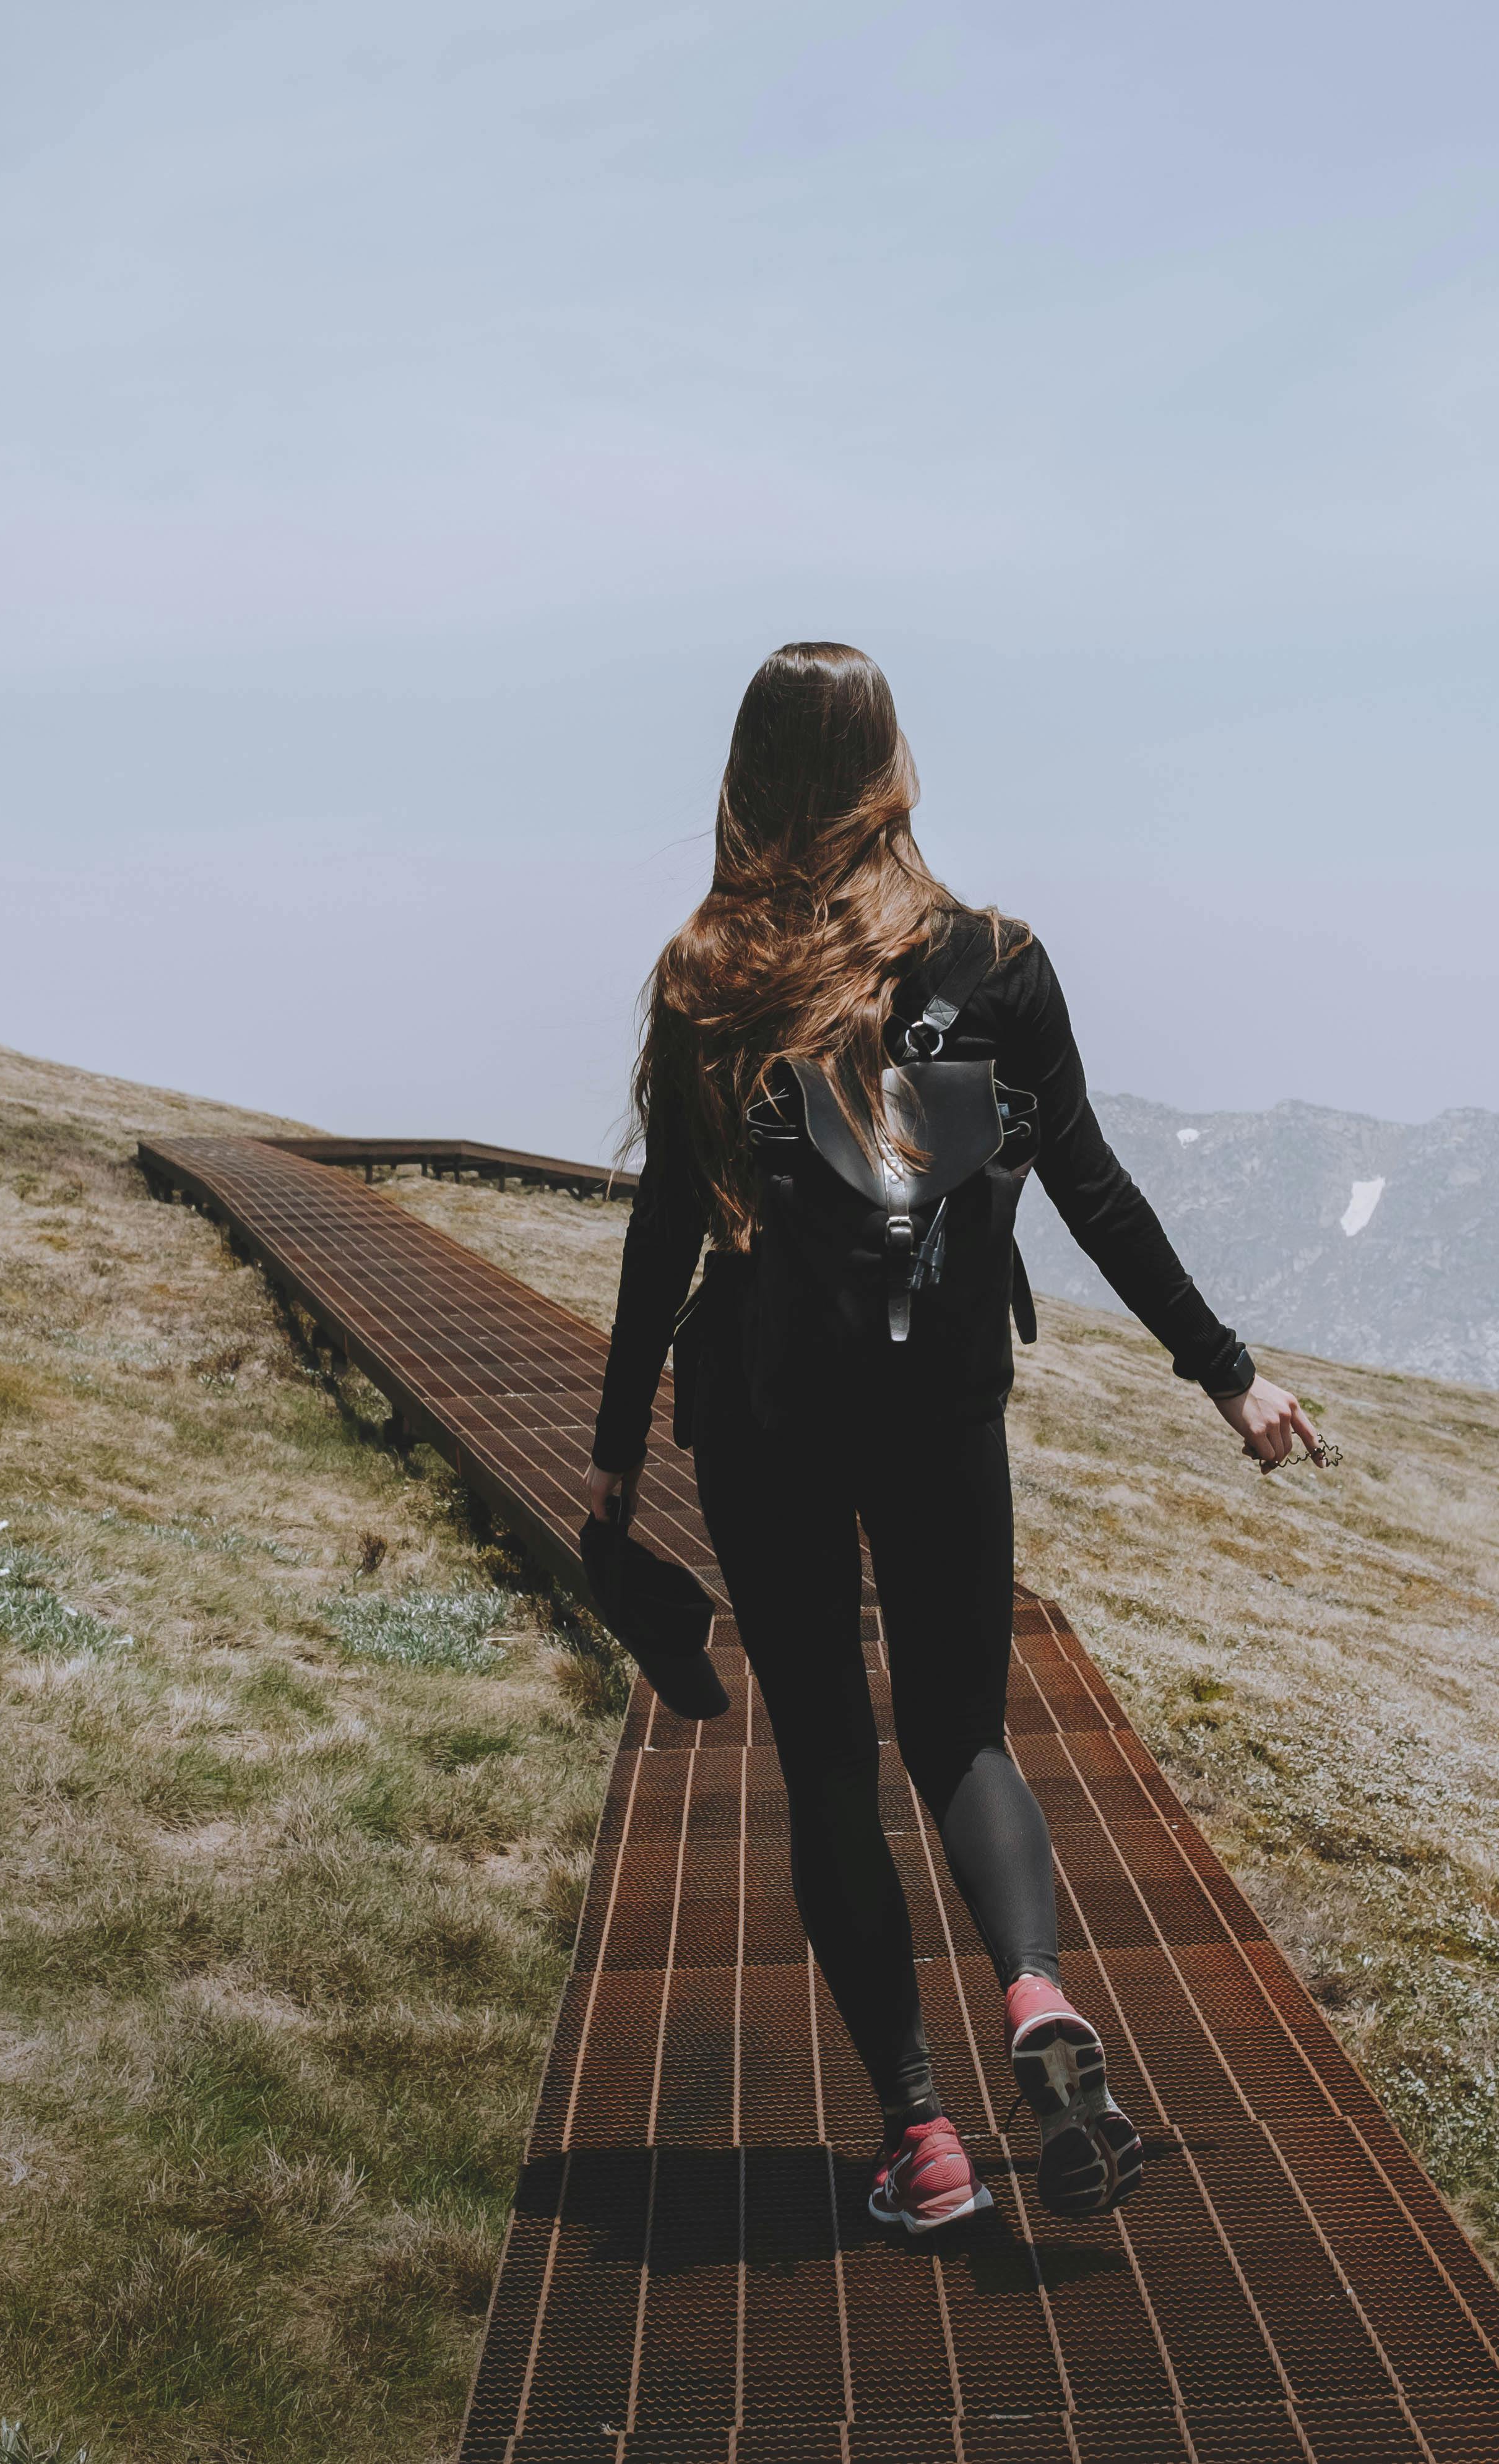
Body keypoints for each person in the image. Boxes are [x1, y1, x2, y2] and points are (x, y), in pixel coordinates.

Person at [583, 641, 1322, 2235]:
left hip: (768, 1421)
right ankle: (1043, 2002)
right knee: (962, 1738)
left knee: (834, 1772)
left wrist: (614, 1446)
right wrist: (1231, 1378)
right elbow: (1096, 1191)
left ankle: (923, 2143)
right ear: (892, 769)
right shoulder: (992, 962)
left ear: (747, 776)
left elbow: (661, 1239)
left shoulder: (708, 981)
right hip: (938, 1404)